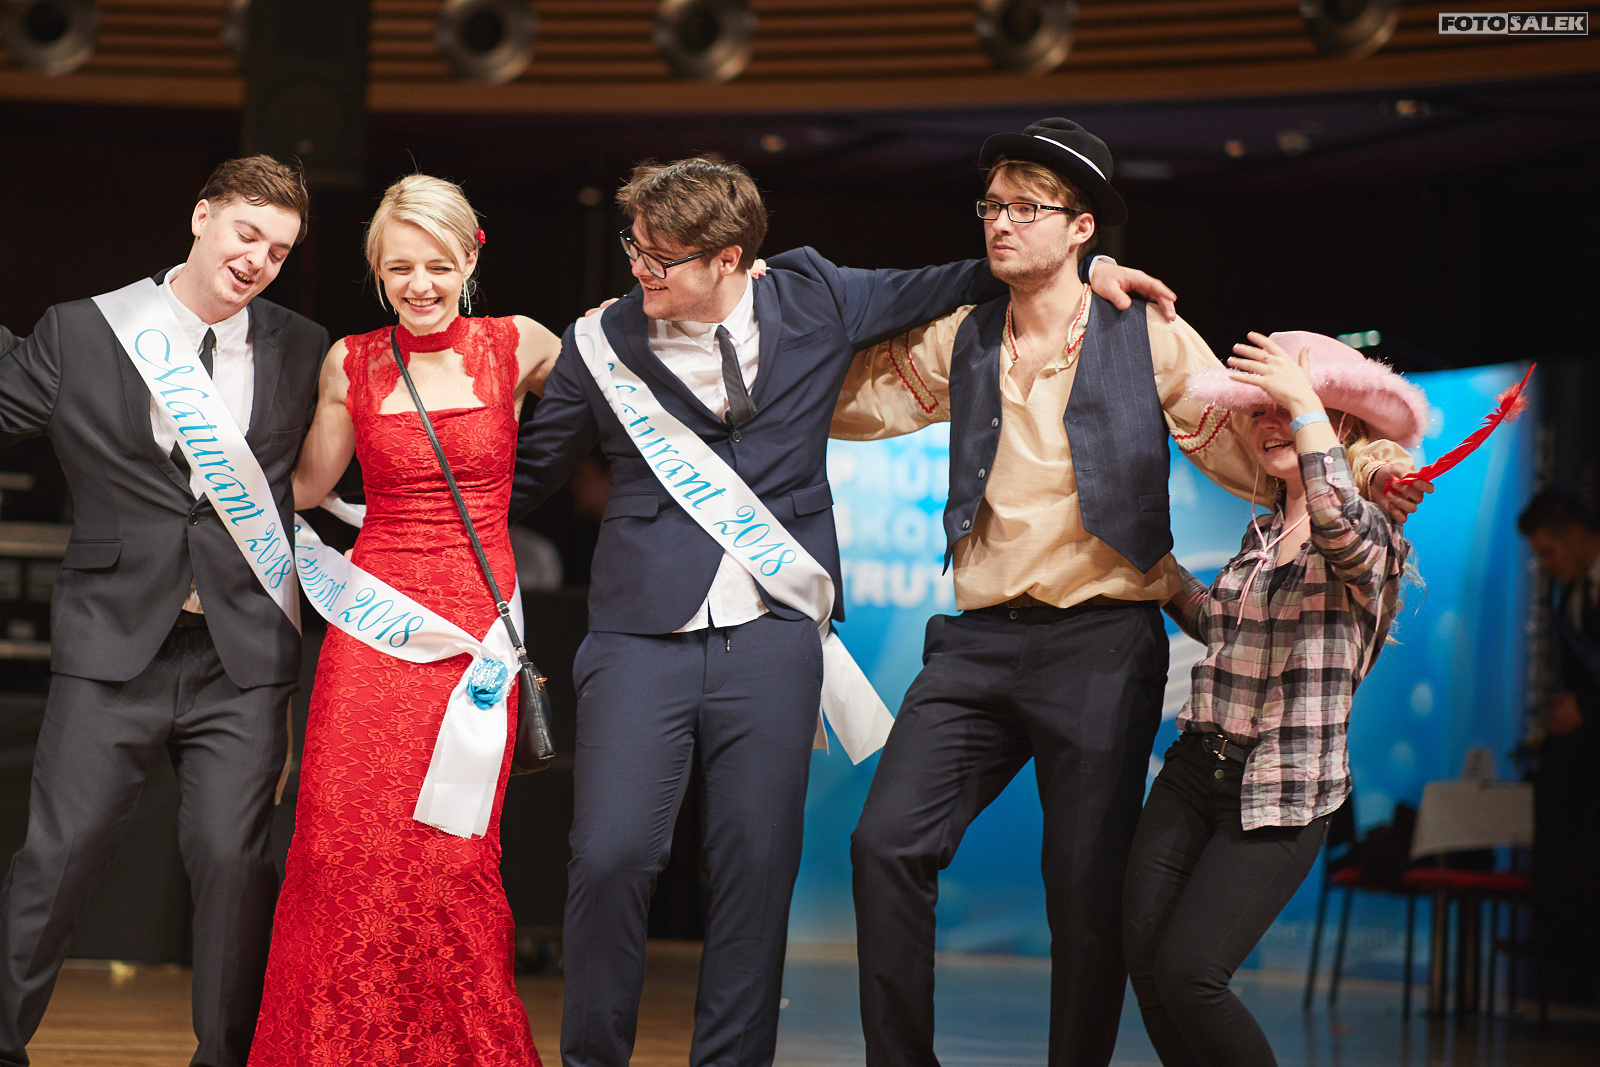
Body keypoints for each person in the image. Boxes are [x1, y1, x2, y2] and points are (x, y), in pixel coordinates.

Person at [508, 155, 1169, 1067]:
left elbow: (961, 278)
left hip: (776, 635)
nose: (640, 268)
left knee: (755, 870)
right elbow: (522, 481)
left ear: (730, 257)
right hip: (638, 635)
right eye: (635, 247)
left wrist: (1088, 269)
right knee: (611, 855)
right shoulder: (601, 341)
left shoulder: (814, 295)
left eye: (662, 257)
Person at [830, 119, 1428, 1067]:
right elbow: (858, 400)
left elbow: (1250, 444)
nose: (1000, 222)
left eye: (1026, 207)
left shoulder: (1144, 328)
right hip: (976, 641)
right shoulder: (964, 334)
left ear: (1082, 228)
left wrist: (1361, 469)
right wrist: (756, 367)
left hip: (1099, 641)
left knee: (1086, 891)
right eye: (992, 205)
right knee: (884, 844)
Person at [0, 156, 323, 1067]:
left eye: (279, 250)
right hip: (113, 642)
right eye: (247, 233)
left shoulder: (304, 346)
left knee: (235, 863)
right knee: (59, 857)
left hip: (241, 656)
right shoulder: (81, 330)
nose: (258, 259)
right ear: (201, 216)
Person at [248, 174, 561, 1064]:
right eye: (397, 270)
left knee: (450, 853)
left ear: (469, 259)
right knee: (341, 842)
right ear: (377, 273)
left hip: (473, 634)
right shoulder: (350, 361)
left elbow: (625, 400)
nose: (418, 285)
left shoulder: (519, 344)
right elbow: (309, 485)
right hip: (375, 628)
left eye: (436, 265)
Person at [1120, 331, 1421, 1065]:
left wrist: (1301, 401)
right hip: (1196, 768)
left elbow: (1340, 526)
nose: (1269, 424)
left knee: (1192, 974)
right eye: (1258, 412)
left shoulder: (1375, 527)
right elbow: (1224, 630)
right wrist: (1163, 576)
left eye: (1286, 407)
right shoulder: (1260, 532)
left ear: (1337, 421)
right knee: (1150, 967)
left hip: (1283, 787)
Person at [1517, 489, 1600, 1001]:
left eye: (1549, 552)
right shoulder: (1568, 598)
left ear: (1575, 533)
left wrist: (1587, 709)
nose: (1546, 565)